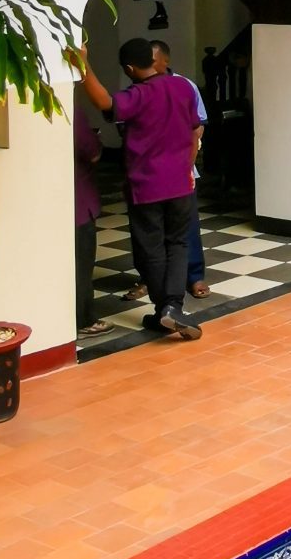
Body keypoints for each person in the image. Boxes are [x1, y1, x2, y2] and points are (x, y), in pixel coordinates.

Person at [72, 38, 205, 341]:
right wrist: (187, 167)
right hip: (181, 183)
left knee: (152, 249)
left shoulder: (137, 95)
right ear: (155, 60)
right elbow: (194, 131)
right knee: (178, 244)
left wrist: (82, 63)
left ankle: (164, 309)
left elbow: (105, 102)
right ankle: (172, 307)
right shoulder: (183, 87)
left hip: (146, 187)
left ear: (130, 69)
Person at [152, 40, 211, 299]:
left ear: (165, 61)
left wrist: (187, 163)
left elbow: (198, 128)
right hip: (152, 172)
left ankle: (194, 276)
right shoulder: (140, 88)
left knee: (187, 227)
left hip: (182, 170)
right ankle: (152, 279)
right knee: (153, 230)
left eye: (152, 60)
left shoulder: (185, 86)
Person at [73, 103, 113, 338]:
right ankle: (83, 320)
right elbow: (91, 150)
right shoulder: (67, 109)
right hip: (78, 200)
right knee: (81, 265)